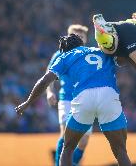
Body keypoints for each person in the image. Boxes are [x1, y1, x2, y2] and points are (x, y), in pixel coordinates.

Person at [15, 34, 131, 166]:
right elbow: (123, 59)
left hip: (84, 96)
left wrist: (28, 102)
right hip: (109, 95)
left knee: (68, 148)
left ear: (63, 50)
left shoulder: (65, 56)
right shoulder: (100, 50)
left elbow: (44, 81)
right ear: (81, 44)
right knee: (120, 151)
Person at [46, 25, 90, 166]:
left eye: (81, 36)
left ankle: (73, 163)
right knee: (66, 136)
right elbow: (48, 76)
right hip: (66, 99)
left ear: (85, 39)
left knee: (83, 141)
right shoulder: (60, 54)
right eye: (74, 36)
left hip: (85, 101)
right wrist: (50, 92)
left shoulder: (90, 54)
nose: (77, 38)